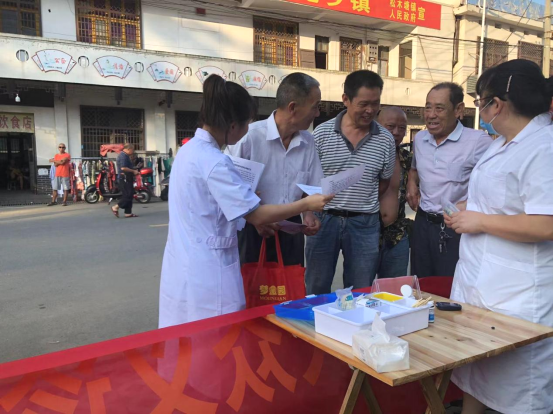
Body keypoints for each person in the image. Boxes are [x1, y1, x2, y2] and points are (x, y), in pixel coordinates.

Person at [159, 75, 333, 327]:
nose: (247, 130)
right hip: (209, 273)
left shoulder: (189, 151)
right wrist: (306, 205)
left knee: (189, 336)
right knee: (218, 336)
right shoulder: (216, 162)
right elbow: (256, 215)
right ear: (233, 125)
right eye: (246, 123)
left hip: (187, 264)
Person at [445, 60, 553, 414]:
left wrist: (480, 221)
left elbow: (546, 224)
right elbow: (502, 199)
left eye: (480, 102)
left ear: (497, 104)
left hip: (518, 294)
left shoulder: (544, 147)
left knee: (518, 388)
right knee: (477, 373)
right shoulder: (503, 142)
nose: (480, 110)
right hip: (482, 285)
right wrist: (468, 208)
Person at [305, 70, 396, 295]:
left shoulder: (385, 139)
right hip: (324, 220)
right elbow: (309, 178)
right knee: (317, 286)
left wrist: (361, 199)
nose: (370, 110)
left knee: (360, 289)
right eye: (363, 104)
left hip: (364, 224)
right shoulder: (322, 134)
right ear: (345, 99)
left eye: (375, 104)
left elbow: (383, 183)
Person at [227, 73, 324, 267]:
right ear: (292, 107)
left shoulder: (308, 142)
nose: (317, 114)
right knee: (253, 284)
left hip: (292, 232)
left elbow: (311, 187)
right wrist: (255, 219)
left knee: (291, 284)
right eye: (314, 107)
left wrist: (309, 215)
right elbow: (229, 190)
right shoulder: (249, 137)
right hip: (253, 231)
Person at [407, 83, 492, 278]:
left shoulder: (479, 142)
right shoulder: (420, 139)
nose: (431, 115)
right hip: (422, 224)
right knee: (421, 282)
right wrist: (412, 182)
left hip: (455, 227)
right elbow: (414, 168)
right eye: (428, 107)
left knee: (450, 284)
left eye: (439, 108)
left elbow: (494, 186)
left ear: (458, 110)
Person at [377, 107, 412, 278]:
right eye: (390, 126)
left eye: (402, 128)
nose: (396, 132)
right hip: (366, 232)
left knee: (394, 289)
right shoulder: (364, 155)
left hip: (397, 234)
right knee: (361, 288)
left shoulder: (408, 159)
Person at [111, 144, 140, 218]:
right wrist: (133, 171)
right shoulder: (123, 156)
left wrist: (135, 169)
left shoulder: (125, 156)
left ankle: (128, 212)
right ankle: (116, 207)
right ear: (129, 149)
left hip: (127, 177)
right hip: (124, 178)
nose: (133, 151)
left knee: (130, 194)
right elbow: (123, 168)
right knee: (128, 194)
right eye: (132, 150)